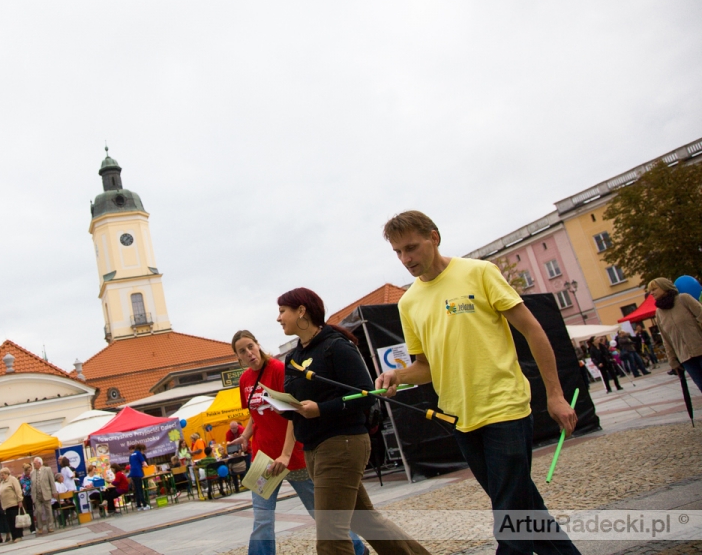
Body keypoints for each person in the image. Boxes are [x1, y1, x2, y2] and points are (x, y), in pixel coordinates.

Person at [377, 210, 579, 555]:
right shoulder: (408, 302)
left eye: (411, 247)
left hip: (504, 407)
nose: (405, 259)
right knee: (521, 504)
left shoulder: (479, 272)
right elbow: (426, 366)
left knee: (509, 516)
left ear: (434, 237)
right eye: (398, 252)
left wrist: (556, 395)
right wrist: (399, 374)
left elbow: (532, 330)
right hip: (458, 416)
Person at [279, 289, 429, 555]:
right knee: (364, 520)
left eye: (283, 311)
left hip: (341, 444)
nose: (279, 318)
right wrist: (281, 406)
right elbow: (299, 403)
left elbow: (365, 395)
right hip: (314, 448)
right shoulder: (293, 358)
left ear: (301, 311)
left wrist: (321, 409)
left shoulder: (336, 346)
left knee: (330, 536)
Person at [229, 329, 369, 555]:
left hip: (292, 455)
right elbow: (255, 414)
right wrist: (245, 436)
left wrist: (285, 454)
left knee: (319, 512)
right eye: (242, 351)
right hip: (262, 458)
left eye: (250, 347)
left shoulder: (278, 370)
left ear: (258, 344)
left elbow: (294, 413)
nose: (248, 353)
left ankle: (358, 549)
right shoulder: (245, 380)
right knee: (261, 517)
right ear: (238, 357)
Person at [649, 277, 702, 392]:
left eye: (654, 289)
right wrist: (672, 360)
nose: (651, 293)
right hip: (685, 357)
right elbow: (666, 338)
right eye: (650, 290)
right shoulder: (659, 312)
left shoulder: (684, 299)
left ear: (665, 287)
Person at [31, 456, 57, 535]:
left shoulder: (47, 469)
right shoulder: (32, 473)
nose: (34, 465)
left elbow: (52, 481)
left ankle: (50, 526)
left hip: (46, 492)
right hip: (37, 495)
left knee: (48, 510)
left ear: (39, 463)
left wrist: (54, 491)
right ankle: (40, 527)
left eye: (35, 463)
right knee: (38, 511)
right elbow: (32, 485)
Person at [0, 468, 24, 543]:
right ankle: (14, 536)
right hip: (6, 505)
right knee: (10, 522)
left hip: (13, 503)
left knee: (15, 520)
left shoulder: (12, 479)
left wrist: (20, 500)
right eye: (1, 475)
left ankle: (19, 535)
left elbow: (18, 490)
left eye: (2, 475)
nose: (1, 476)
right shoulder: (2, 483)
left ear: (7, 474)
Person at [128, 444, 151, 510]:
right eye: (143, 450)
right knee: (140, 490)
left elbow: (131, 464)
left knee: (137, 490)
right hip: (138, 473)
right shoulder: (138, 453)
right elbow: (144, 463)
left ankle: (138, 505)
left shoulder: (131, 455)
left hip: (133, 473)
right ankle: (145, 504)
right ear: (141, 449)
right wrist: (147, 467)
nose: (143, 452)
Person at [19, 463, 36, 534]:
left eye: (31, 470)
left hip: (35, 494)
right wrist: (32, 484)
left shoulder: (32, 475)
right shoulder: (22, 478)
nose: (30, 472)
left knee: (38, 510)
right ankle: (32, 528)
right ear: (26, 471)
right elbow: (26, 488)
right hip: (28, 496)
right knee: (30, 512)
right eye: (29, 470)